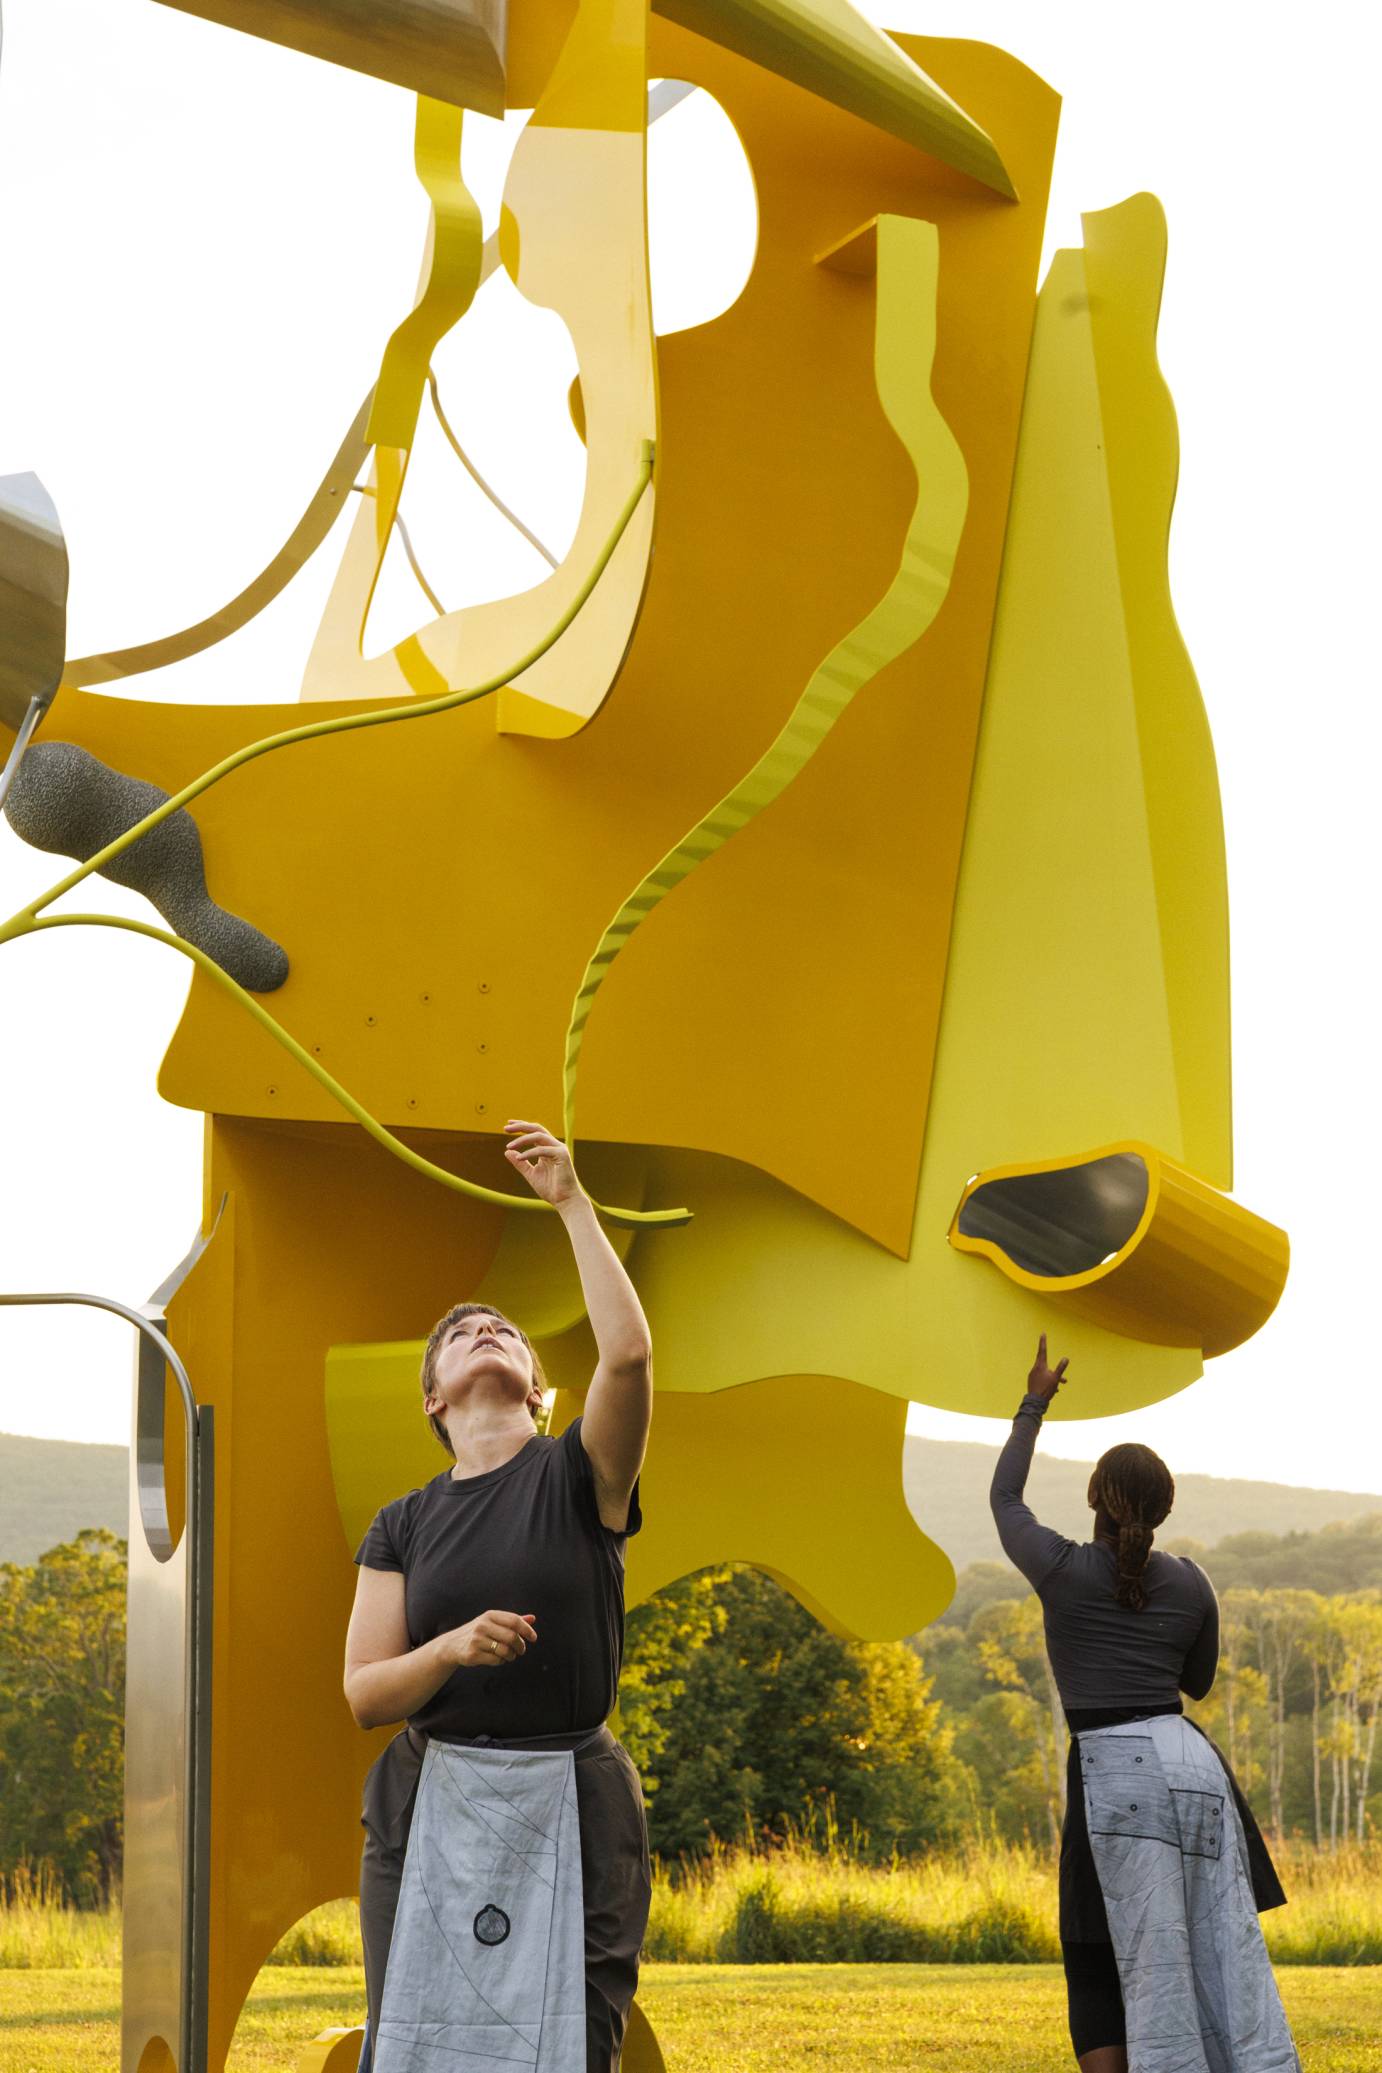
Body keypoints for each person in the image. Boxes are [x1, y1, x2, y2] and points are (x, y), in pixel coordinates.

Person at [344, 1119, 653, 2073]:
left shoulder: (580, 1472)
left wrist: (570, 1200)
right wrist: (449, 1649)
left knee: (573, 2042)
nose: (485, 1329)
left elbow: (630, 1356)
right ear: (434, 1397)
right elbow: (364, 1694)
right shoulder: (401, 1521)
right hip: (429, 1794)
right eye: (461, 1334)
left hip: (574, 1790)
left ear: (538, 1388)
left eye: (505, 1330)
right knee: (414, 2040)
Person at [991, 1335, 1299, 2073]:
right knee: (1207, 1933)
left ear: (1095, 1496)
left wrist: (1035, 1401)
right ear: (1163, 1508)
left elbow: (1004, 1498)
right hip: (1190, 1761)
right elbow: (1197, 1684)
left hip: (1108, 1763)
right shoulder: (1193, 1580)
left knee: (1095, 1940)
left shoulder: (1062, 1567)